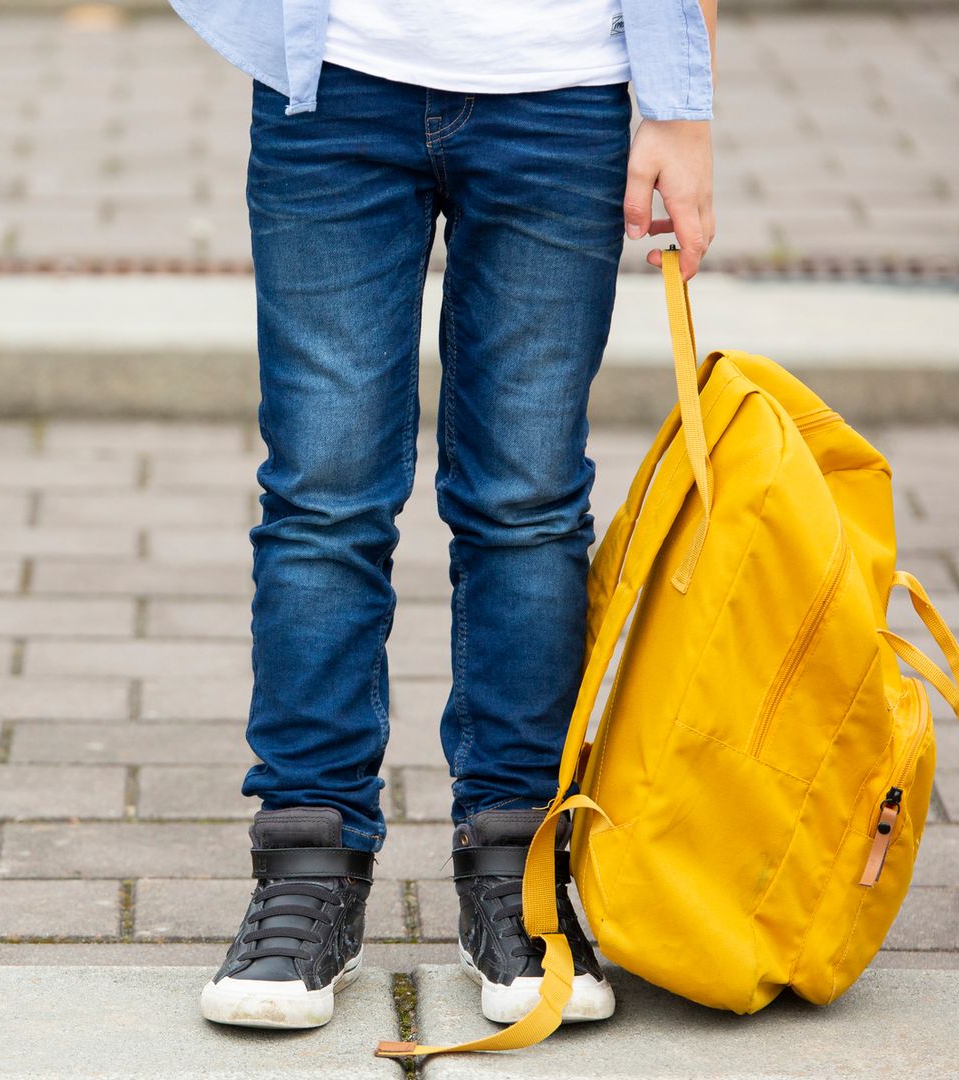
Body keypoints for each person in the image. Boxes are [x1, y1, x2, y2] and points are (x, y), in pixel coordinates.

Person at [167, 0, 719, 1031]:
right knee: (320, 500)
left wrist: (681, 108)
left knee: (529, 505)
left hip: (561, 90)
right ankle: (306, 869)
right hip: (333, 79)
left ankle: (519, 875)